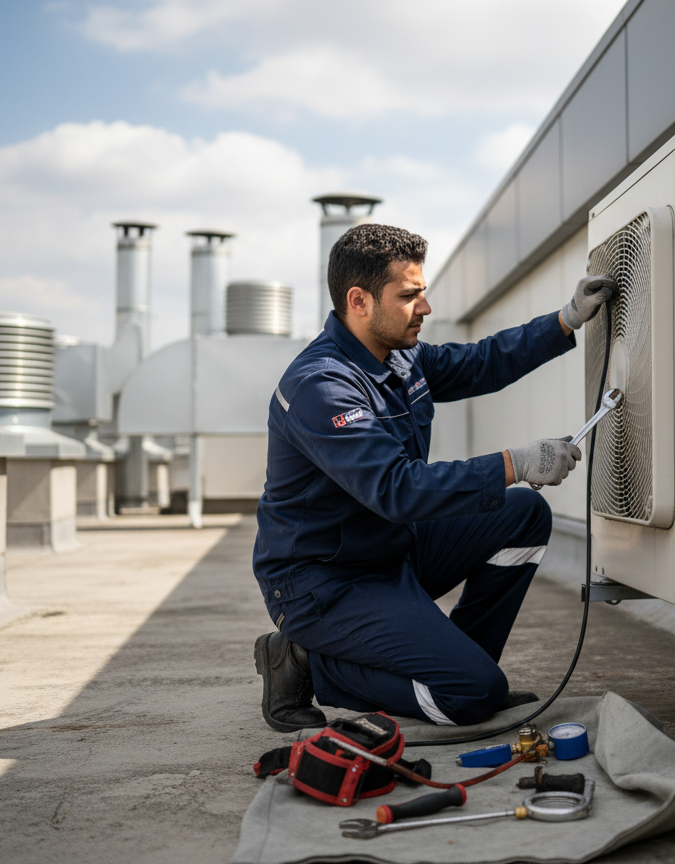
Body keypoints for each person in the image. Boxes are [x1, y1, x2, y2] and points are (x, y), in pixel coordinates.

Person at [252, 223, 615, 731]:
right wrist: (515, 462)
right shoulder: (322, 387)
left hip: (386, 550)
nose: (424, 308)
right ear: (358, 300)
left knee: (522, 513)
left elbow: (481, 362)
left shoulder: (400, 356)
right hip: (323, 583)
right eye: (408, 296)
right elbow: (395, 489)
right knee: (470, 697)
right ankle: (307, 663)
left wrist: (566, 320)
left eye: (422, 293)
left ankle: (467, 663)